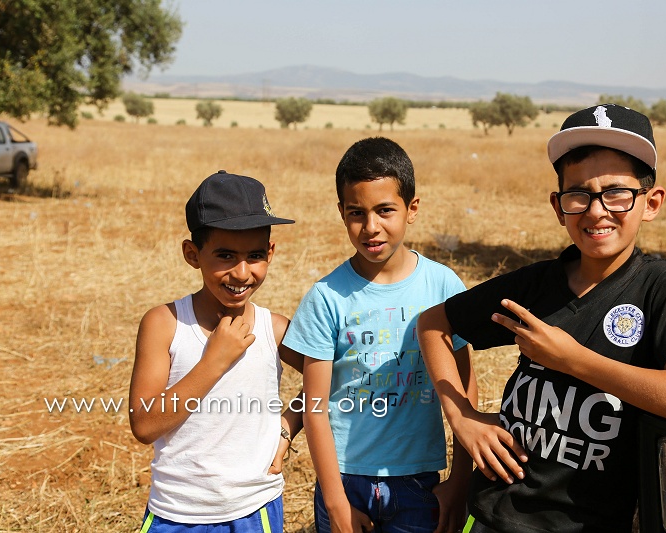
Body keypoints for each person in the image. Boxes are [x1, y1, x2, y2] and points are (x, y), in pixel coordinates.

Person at [417, 104, 666, 532]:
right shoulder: (538, 284)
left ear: (651, 203)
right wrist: (462, 416)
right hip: (492, 513)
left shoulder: (660, 288)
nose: (596, 211)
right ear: (558, 208)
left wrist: (572, 360)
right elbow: (432, 324)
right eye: (579, 195)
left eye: (616, 193)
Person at [282, 137, 476, 533]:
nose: (371, 227)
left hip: (419, 481)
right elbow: (315, 408)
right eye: (357, 213)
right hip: (345, 479)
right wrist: (335, 503)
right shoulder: (327, 297)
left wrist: (460, 481)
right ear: (342, 212)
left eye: (385, 210)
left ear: (412, 209)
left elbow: (464, 388)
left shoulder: (443, 286)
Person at [129, 170, 303, 532]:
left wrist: (287, 428)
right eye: (225, 255)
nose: (241, 273)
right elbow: (144, 425)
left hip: (254, 509)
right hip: (175, 513)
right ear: (192, 254)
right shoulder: (165, 324)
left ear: (270, 252)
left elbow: (334, 378)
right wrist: (214, 362)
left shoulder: (274, 329)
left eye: (255, 255)